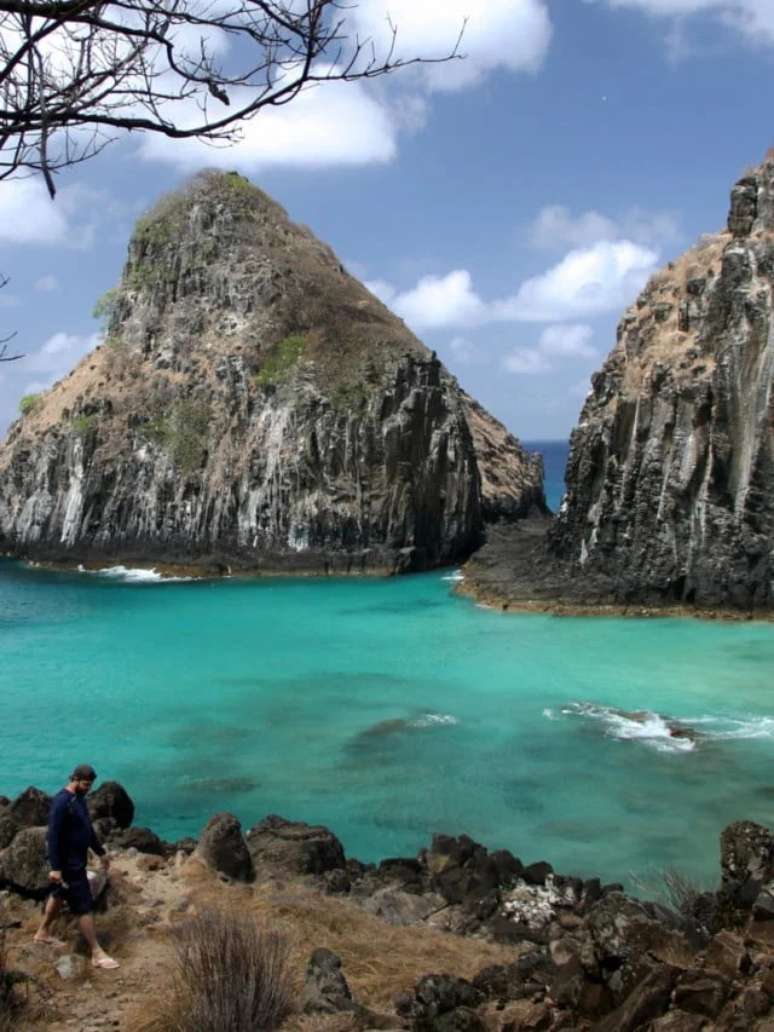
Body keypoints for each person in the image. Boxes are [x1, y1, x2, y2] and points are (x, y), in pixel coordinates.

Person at [33, 764, 119, 969]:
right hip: (67, 865)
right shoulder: (62, 802)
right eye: (85, 784)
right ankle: (96, 952)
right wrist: (55, 868)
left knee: (58, 895)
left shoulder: (79, 799)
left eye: (90, 785)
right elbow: (53, 836)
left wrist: (101, 852)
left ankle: (42, 933)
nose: (88, 788)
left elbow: (87, 830)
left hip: (76, 861)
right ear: (75, 779)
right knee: (84, 907)